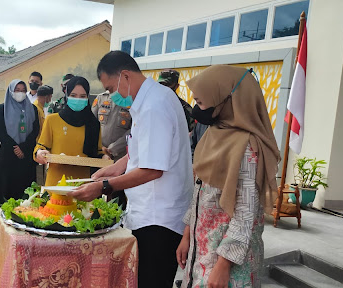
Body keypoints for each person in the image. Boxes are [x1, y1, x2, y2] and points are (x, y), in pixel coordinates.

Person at [69, 51, 193, 288]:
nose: (111, 96)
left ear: (124, 76)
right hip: (150, 213)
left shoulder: (153, 107)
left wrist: (104, 187)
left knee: (150, 281)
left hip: (158, 220)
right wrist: (116, 167)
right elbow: (145, 149)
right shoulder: (153, 99)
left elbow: (153, 169)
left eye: (110, 88)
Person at [176, 65, 280, 288]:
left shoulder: (248, 147)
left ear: (228, 100)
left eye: (202, 102)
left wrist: (224, 264)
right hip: (202, 251)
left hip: (227, 266)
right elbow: (200, 191)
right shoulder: (215, 134)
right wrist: (187, 234)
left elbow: (246, 213)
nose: (197, 108)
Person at [34, 76, 103, 187]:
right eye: (73, 95)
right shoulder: (52, 120)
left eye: (83, 96)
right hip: (56, 184)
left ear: (87, 98)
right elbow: (41, 147)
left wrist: (105, 157)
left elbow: (99, 152)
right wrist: (40, 153)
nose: (78, 99)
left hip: (83, 186)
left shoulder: (93, 124)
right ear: (67, 96)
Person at [0, 79, 40, 200]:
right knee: (6, 193)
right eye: (17, 90)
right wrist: (15, 148)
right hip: (8, 156)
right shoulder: (2, 109)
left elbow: (35, 130)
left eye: (23, 90)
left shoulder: (33, 109)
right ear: (10, 91)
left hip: (26, 157)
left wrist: (23, 148)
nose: (20, 93)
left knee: (25, 193)